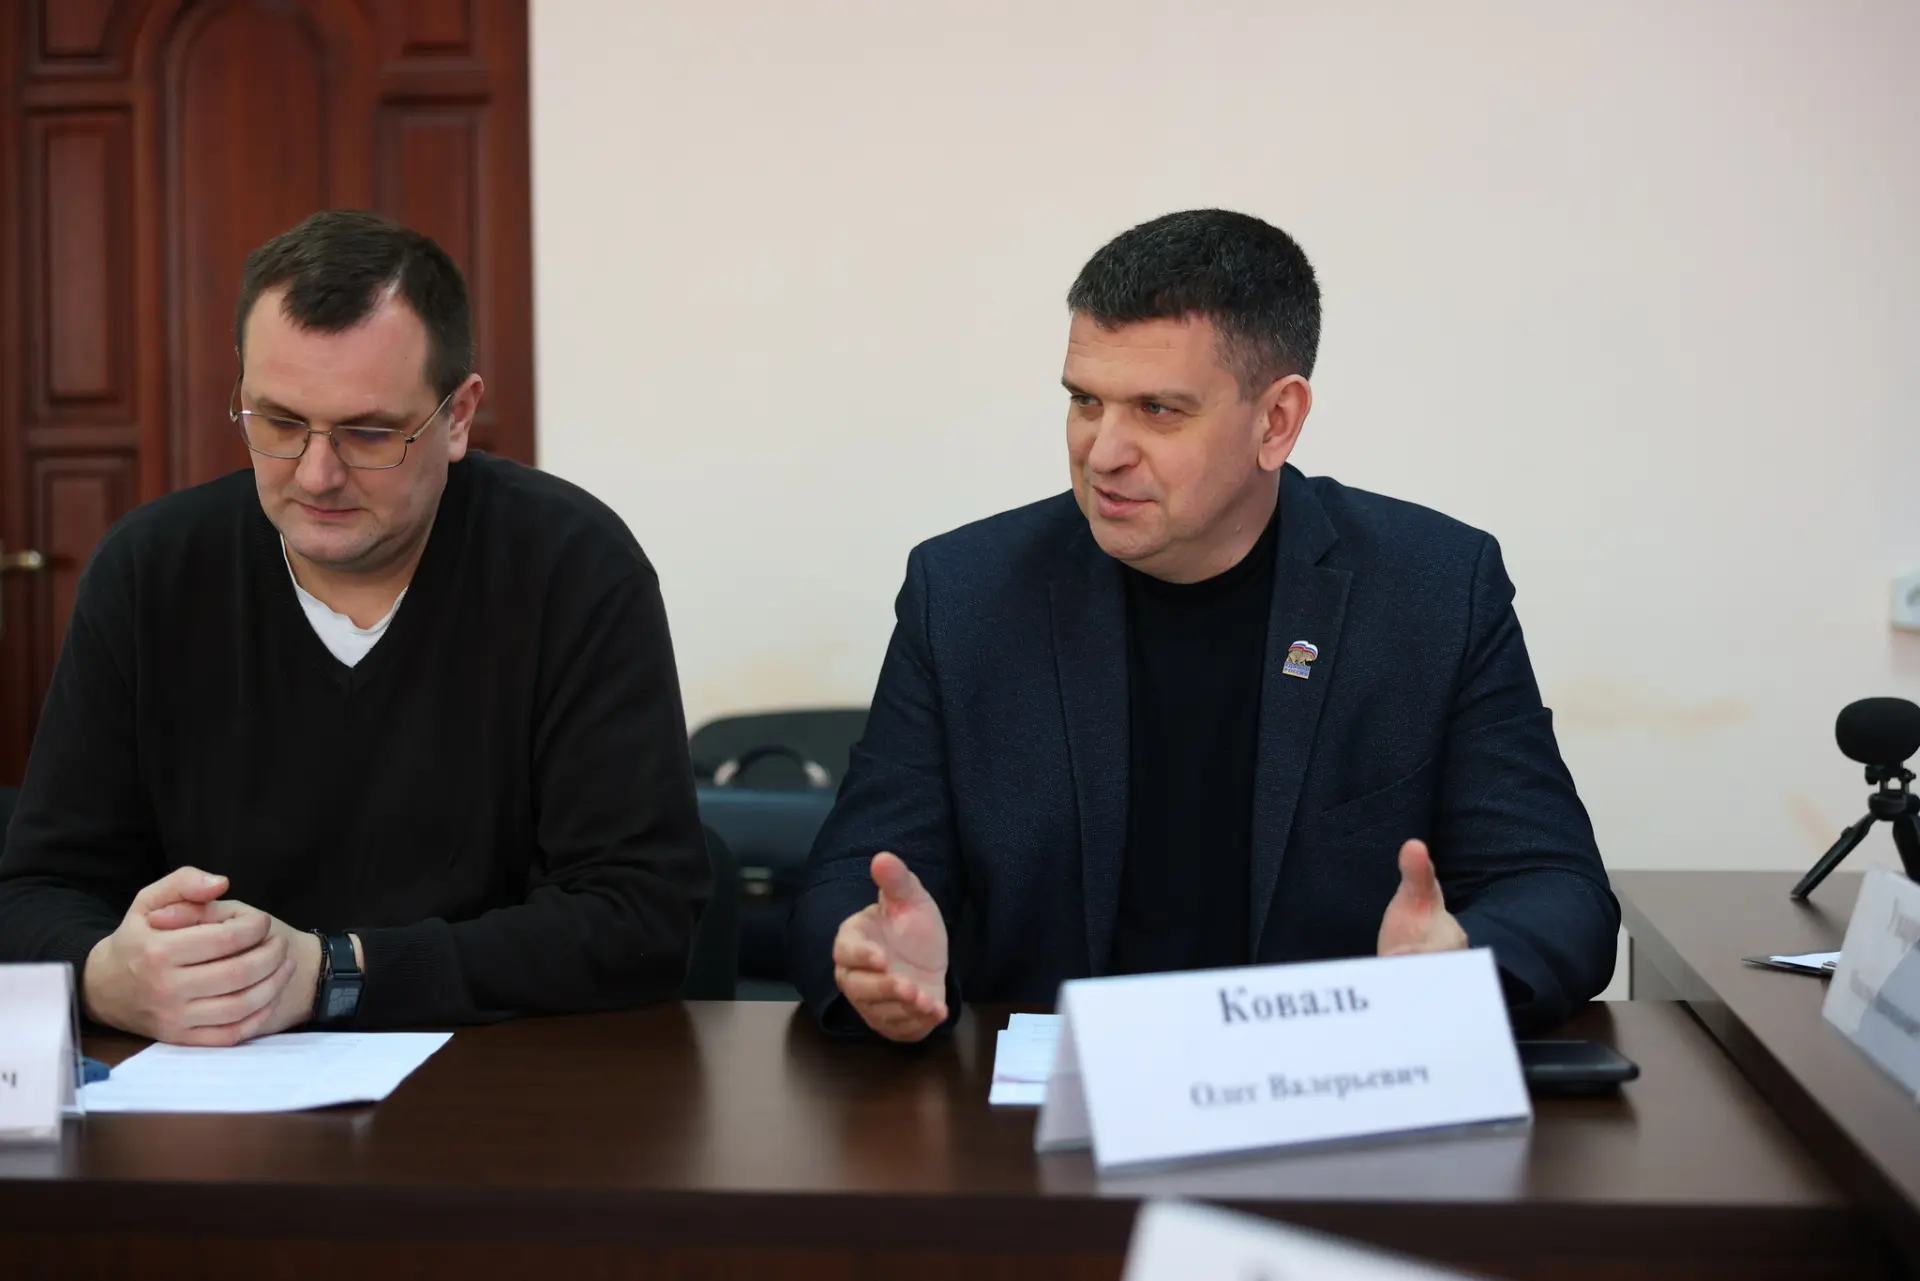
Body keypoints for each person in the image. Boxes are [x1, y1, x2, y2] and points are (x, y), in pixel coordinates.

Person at [790, 209, 1618, 1042]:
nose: (1102, 452)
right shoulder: (965, 594)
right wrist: (874, 962)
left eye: (1158, 409)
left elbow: (1557, 888)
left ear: (1276, 421)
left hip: (1326, 1087)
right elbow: (849, 882)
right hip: (1050, 1102)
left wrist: (1458, 966)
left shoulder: (1431, 591)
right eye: (1085, 401)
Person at [0, 210, 709, 1044]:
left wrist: (334, 972)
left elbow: (642, 915)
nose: (316, 474)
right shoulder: (150, 572)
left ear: (457, 415)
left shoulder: (574, 568)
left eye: (369, 432)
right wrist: (102, 975)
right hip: (206, 1088)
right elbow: (34, 892)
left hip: (502, 1081)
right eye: (278, 422)